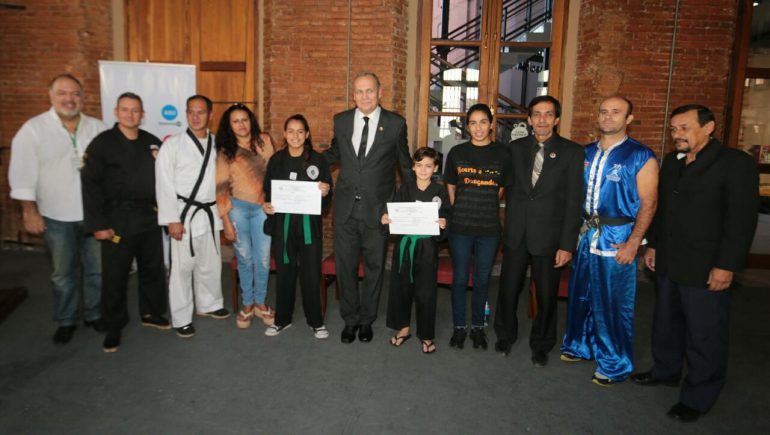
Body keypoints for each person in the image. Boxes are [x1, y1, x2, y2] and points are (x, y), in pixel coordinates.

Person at [632, 105, 759, 422]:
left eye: (684, 128)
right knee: (666, 323)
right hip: (669, 261)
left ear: (709, 127)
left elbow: (741, 221)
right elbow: (663, 210)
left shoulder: (735, 163)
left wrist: (727, 265)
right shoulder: (673, 163)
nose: (677, 134)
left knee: (705, 334)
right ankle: (665, 371)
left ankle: (698, 397)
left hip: (706, 266)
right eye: (673, 129)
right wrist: (653, 245)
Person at [560, 95, 658, 386]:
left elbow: (649, 203)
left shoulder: (640, 155)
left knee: (613, 302)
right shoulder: (585, 152)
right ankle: (580, 344)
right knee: (581, 293)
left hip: (618, 237)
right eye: (603, 111)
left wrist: (635, 242)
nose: (608, 116)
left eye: (616, 112)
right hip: (585, 233)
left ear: (629, 119)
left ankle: (615, 362)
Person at [8, 73, 107, 345]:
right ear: (50, 96)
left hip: (93, 215)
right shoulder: (33, 129)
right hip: (56, 216)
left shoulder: (97, 128)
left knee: (97, 270)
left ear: (83, 97)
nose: (69, 99)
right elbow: (22, 173)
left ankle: (94, 314)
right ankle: (66, 320)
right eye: (62, 93)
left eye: (75, 93)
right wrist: (29, 210)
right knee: (63, 274)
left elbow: (109, 171)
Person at [494, 95, 583, 366]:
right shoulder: (515, 148)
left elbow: (574, 201)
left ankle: (542, 343)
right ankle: (505, 335)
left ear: (556, 119)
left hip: (549, 237)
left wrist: (567, 244)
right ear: (529, 120)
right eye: (537, 114)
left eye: (548, 114)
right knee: (508, 289)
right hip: (516, 233)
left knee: (546, 293)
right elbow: (502, 185)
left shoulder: (572, 152)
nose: (542, 119)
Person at [325, 71, 413, 344]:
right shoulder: (341, 121)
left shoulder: (395, 123)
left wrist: (414, 202)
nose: (365, 96)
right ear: (353, 95)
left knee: (374, 268)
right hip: (345, 210)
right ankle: (350, 319)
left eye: (370, 90)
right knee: (346, 268)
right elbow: (334, 154)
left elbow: (405, 165)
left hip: (378, 213)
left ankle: (367, 320)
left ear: (380, 92)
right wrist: (305, 161)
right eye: (359, 91)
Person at [81, 92, 170, 352]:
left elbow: (165, 180)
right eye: (125, 109)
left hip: (149, 215)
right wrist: (98, 224)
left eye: (135, 110)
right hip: (116, 218)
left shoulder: (152, 142)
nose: (130, 114)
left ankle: (152, 312)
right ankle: (114, 324)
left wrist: (167, 214)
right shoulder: (102, 144)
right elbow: (90, 185)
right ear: (116, 112)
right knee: (116, 274)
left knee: (153, 267)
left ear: (143, 114)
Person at [155, 94, 230, 339]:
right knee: (182, 269)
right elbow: (164, 184)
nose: (195, 117)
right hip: (184, 214)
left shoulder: (218, 144)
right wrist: (171, 219)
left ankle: (209, 303)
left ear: (210, 115)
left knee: (210, 262)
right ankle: (181, 317)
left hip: (209, 212)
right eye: (191, 112)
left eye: (201, 112)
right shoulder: (172, 145)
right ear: (186, 114)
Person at [443, 103, 512, 351]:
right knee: (460, 279)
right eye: (473, 123)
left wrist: (484, 203)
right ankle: (459, 327)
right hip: (460, 227)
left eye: (483, 122)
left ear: (491, 125)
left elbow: (501, 188)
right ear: (467, 126)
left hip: (489, 229)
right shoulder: (457, 152)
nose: (478, 127)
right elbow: (451, 184)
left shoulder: (503, 154)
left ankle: (478, 328)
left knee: (482, 280)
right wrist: (460, 206)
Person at [262, 114, 332, 338]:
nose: (295, 136)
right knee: (285, 273)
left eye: (300, 131)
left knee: (311, 274)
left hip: (309, 226)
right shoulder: (276, 160)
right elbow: (268, 192)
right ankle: (282, 319)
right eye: (291, 131)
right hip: (283, 226)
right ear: (284, 134)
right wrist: (267, 206)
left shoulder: (318, 160)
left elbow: (327, 194)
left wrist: (325, 192)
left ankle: (316, 321)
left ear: (307, 134)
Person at [382, 147, 450, 354]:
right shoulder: (405, 188)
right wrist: (387, 219)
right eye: (419, 165)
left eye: (428, 166)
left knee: (426, 292)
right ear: (413, 167)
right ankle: (403, 327)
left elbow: (447, 215)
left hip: (427, 247)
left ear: (435, 168)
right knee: (401, 288)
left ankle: (426, 334)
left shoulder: (440, 191)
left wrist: (444, 223)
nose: (423, 170)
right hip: (405, 246)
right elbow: (393, 212)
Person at [215, 104, 275, 329]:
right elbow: (221, 187)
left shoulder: (264, 142)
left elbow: (275, 173)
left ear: (251, 121)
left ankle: (260, 303)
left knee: (263, 258)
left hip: (263, 209)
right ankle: (247, 304)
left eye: (244, 119)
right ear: (229, 125)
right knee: (245, 258)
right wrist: (226, 221)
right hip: (237, 210)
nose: (241, 125)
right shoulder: (225, 151)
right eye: (236, 121)